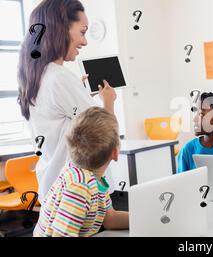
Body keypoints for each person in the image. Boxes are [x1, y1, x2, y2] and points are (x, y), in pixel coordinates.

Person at [17, 0, 117, 202]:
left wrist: (78, 94)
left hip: (54, 189)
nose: (85, 42)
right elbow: (104, 140)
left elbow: (62, 122)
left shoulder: (37, 76)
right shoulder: (59, 77)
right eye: (82, 32)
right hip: (78, 195)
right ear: (61, 28)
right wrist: (109, 102)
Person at [34, 107, 129, 237]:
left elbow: (110, 219)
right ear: (115, 153)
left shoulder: (95, 177)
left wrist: (141, 218)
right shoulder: (80, 186)